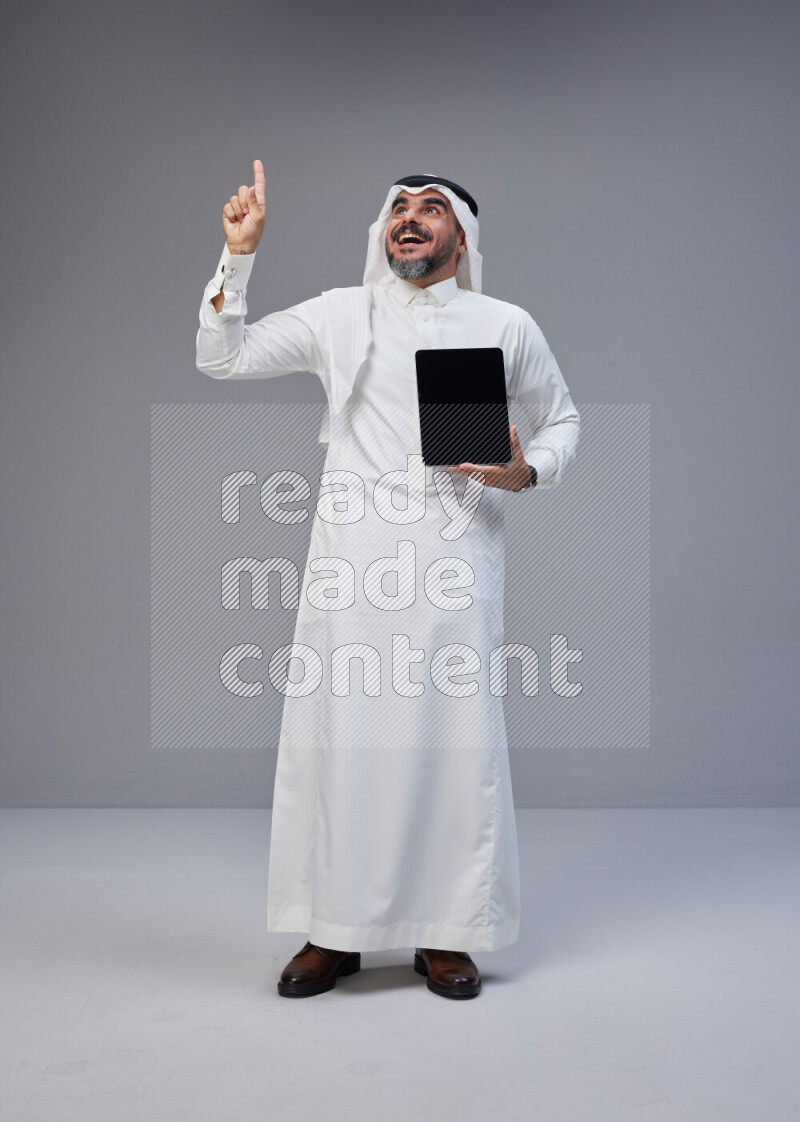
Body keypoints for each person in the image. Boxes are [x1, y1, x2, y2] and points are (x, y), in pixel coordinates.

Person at [196, 161, 580, 1000]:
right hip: (351, 567)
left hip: (452, 565)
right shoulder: (343, 314)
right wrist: (240, 258)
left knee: (450, 746)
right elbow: (222, 357)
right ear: (382, 231)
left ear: (462, 239)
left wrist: (526, 472)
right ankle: (334, 931)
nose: (410, 218)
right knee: (342, 742)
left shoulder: (501, 323)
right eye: (398, 209)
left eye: (431, 209)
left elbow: (562, 420)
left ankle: (447, 934)